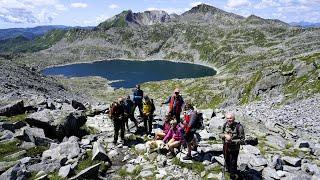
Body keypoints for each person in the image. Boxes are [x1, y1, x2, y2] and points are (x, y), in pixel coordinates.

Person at [219, 112, 245, 178]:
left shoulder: (239, 127)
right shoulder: (224, 125)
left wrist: (232, 141)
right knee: (226, 158)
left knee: (233, 161)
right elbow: (220, 134)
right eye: (227, 118)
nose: (229, 120)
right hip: (225, 147)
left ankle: (233, 175)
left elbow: (242, 140)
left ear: (233, 118)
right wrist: (225, 135)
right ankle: (228, 170)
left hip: (235, 148)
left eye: (230, 118)